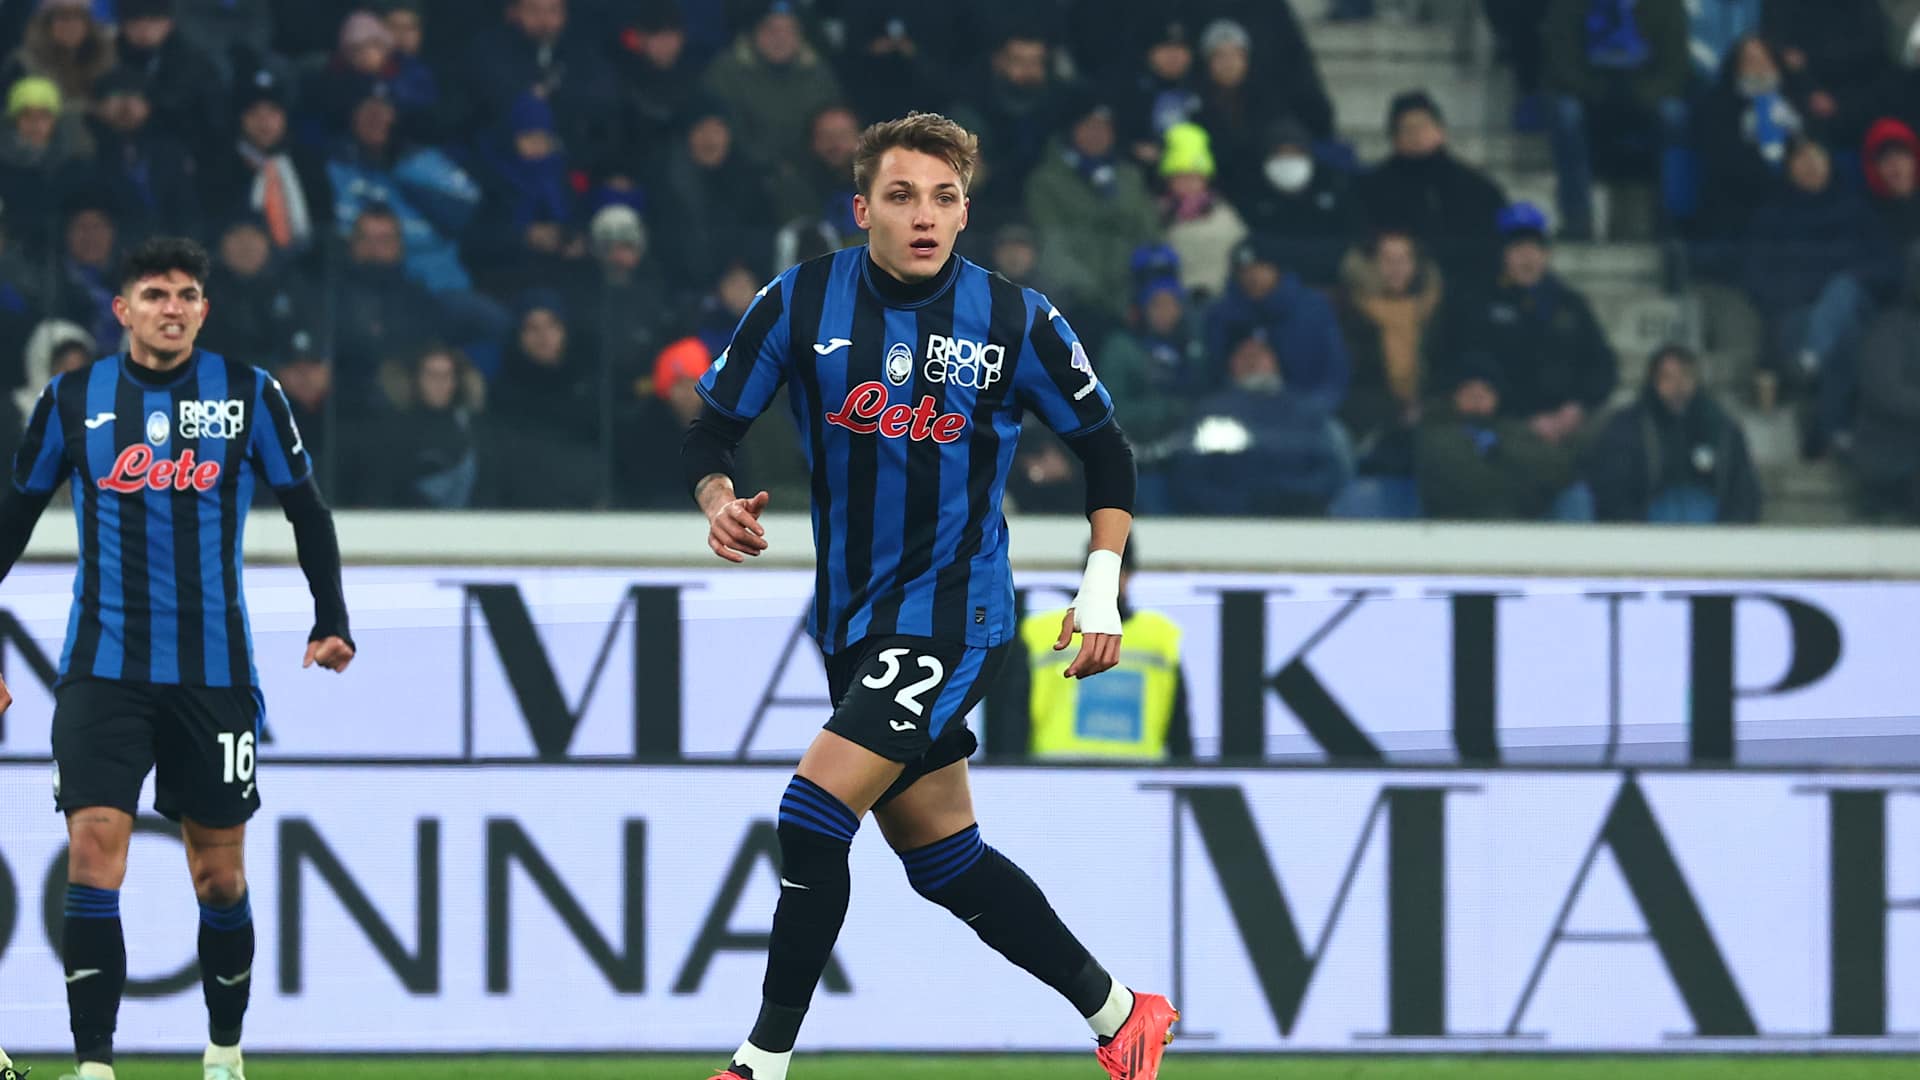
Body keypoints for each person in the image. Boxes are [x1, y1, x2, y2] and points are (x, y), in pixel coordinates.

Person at [682, 111, 1175, 1080]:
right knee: (943, 858)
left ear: (965, 212)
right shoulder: (799, 301)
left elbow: (1104, 450)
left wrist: (1101, 585)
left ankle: (760, 1062)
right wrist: (716, 500)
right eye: (902, 196)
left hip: (956, 614)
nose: (924, 216)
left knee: (812, 814)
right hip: (852, 619)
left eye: (944, 198)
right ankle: (1123, 1013)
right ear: (862, 208)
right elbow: (710, 430)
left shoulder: (1016, 319)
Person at [0, 237, 354, 1080]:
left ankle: (224, 1051)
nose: (172, 308)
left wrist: (331, 618)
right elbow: (13, 518)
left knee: (218, 877)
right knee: (94, 854)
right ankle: (94, 1065)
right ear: (122, 310)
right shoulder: (72, 399)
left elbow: (307, 510)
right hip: (102, 669)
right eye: (155, 294)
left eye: (187, 295)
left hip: (214, 673)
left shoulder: (249, 394)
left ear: (204, 310)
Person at [1000, 544, 1193, 762]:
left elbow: (1179, 729)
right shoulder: (1043, 634)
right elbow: (1014, 719)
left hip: (1134, 776)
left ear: (1128, 574)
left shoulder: (1160, 638)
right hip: (1059, 775)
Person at [1588, 343, 1763, 522]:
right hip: (1647, 524)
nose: (1678, 386)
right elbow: (1612, 489)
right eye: (1668, 377)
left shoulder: (1723, 428)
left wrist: (1729, 529)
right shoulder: (1627, 427)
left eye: (1686, 376)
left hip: (1711, 526)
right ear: (1653, 382)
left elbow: (1744, 489)